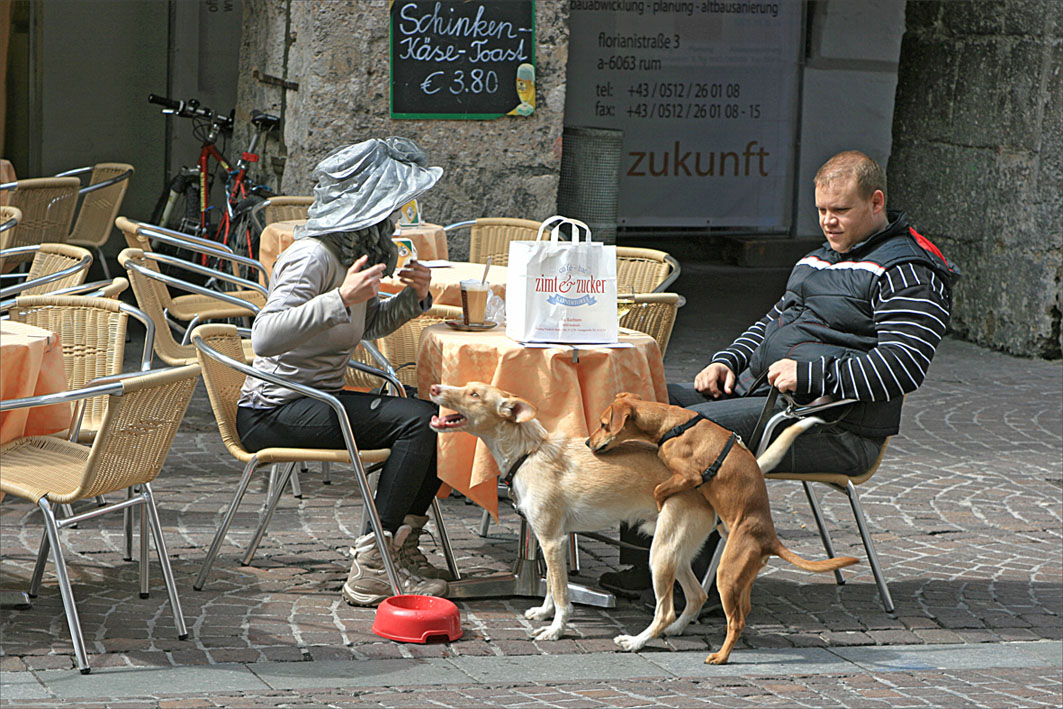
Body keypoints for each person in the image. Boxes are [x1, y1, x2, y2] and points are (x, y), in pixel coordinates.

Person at [600, 150, 961, 609]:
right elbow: (773, 322)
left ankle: (695, 582)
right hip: (765, 398)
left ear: (875, 202)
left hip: (833, 424)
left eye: (841, 211)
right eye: (822, 211)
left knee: (689, 432)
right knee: (645, 407)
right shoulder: (817, 259)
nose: (829, 222)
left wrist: (809, 373)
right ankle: (651, 564)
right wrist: (727, 361)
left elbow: (905, 365)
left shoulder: (909, 270)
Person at [236, 137, 451, 607]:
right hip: (273, 408)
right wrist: (339, 298)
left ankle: (399, 546)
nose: (396, 216)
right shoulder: (313, 256)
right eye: (392, 205)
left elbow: (365, 326)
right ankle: (374, 565)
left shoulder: (353, 252)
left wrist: (413, 300)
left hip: (317, 397)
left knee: (438, 416)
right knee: (418, 422)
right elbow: (265, 336)